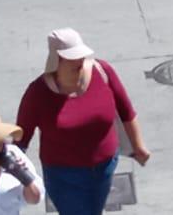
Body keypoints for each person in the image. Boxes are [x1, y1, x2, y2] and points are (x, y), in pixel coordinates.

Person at [15, 29, 150, 215]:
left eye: (82, 58)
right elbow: (20, 140)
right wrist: (19, 177)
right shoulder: (37, 94)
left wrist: (138, 146)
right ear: (56, 61)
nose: (81, 65)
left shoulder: (102, 71)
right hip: (64, 176)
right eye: (74, 62)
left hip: (105, 167)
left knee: (94, 210)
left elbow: (126, 111)